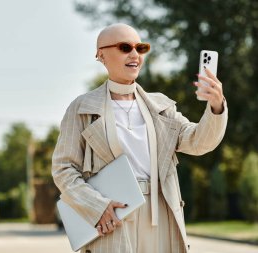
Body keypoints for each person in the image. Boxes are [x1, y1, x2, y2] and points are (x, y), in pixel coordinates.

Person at [51, 23, 227, 253]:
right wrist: (97, 206)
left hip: (161, 212)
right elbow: (64, 168)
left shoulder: (161, 106)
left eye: (140, 48)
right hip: (112, 215)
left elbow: (198, 142)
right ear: (101, 55)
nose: (135, 55)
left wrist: (216, 106)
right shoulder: (81, 108)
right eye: (125, 47)